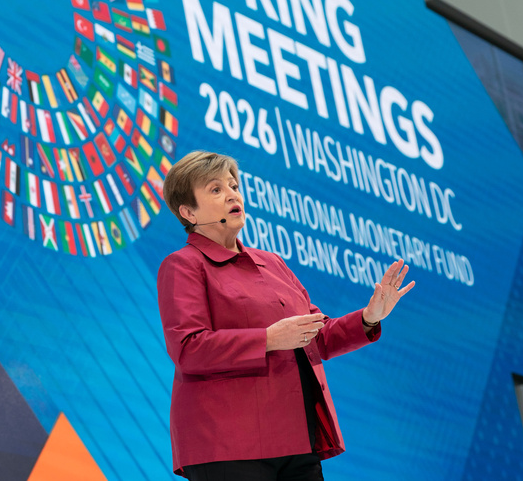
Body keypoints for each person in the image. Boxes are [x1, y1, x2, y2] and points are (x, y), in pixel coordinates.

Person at [157, 150, 414, 480]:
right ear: (188, 211)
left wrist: (368, 316)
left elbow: (316, 337)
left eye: (233, 185)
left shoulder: (273, 263)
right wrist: (268, 340)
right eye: (215, 189)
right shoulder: (184, 265)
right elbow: (188, 348)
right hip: (228, 443)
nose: (232, 194)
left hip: (296, 439)